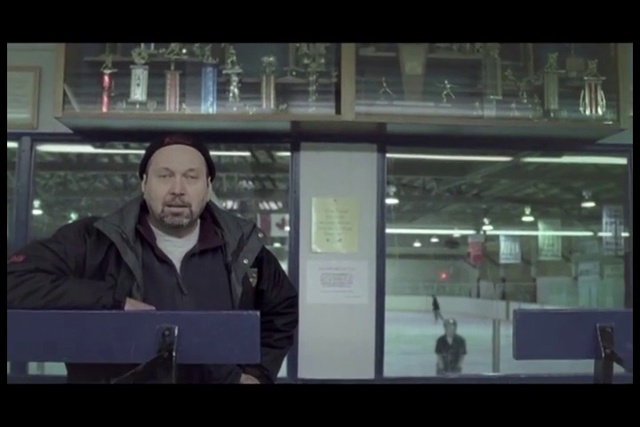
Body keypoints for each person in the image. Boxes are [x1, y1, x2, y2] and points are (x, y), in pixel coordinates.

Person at [7, 135, 299, 384]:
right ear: (144, 184)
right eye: (164, 175)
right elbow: (15, 281)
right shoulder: (92, 241)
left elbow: (282, 310)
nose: (178, 189)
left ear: (208, 187)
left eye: (191, 177)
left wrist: (257, 374)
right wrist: (112, 301)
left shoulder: (243, 247)